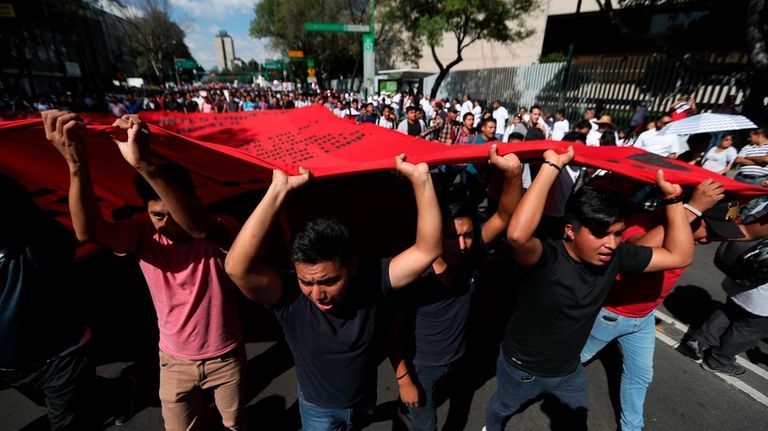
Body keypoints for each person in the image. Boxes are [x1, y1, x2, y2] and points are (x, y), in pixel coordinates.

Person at [42, 110, 247, 431]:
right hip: (173, 362)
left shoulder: (220, 226)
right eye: (157, 215)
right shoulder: (142, 235)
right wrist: (76, 166)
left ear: (193, 200)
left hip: (225, 357)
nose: (166, 222)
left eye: (171, 211)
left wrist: (145, 164)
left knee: (234, 425)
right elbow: (88, 232)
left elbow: (198, 228)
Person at [483, 145, 694, 430]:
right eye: (599, 234)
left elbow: (679, 255)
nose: (610, 243)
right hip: (523, 369)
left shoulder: (617, 256)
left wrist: (673, 199)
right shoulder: (546, 257)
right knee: (503, 406)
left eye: (618, 234)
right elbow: (519, 236)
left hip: (569, 371)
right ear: (571, 230)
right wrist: (552, 167)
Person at [224, 155, 442, 430]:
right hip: (318, 413)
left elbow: (428, 250)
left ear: (351, 265)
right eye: (307, 282)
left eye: (329, 281)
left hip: (364, 402)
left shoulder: (372, 280)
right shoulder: (289, 296)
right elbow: (236, 268)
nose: (317, 294)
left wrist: (421, 180)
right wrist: (277, 191)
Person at [581, 178, 739, 431]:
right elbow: (636, 252)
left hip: (642, 319)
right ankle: (523, 382)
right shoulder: (642, 221)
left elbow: (751, 232)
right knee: (574, 359)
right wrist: (690, 210)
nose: (711, 239)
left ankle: (632, 427)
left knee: (640, 376)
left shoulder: (687, 229)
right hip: (611, 315)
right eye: (709, 229)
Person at [393, 146, 522, 431]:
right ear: (434, 230)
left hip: (459, 361)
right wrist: (405, 380)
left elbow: (504, 215)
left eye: (468, 235)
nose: (462, 246)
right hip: (421, 369)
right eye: (452, 237)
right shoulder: (413, 274)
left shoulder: (471, 254)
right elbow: (390, 331)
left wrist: (513, 174)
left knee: (452, 408)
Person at [0, 175, 105, 430]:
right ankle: (121, 392)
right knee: (77, 401)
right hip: (13, 367)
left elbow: (71, 238)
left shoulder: (37, 245)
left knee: (67, 420)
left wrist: (76, 167)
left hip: (59, 359)